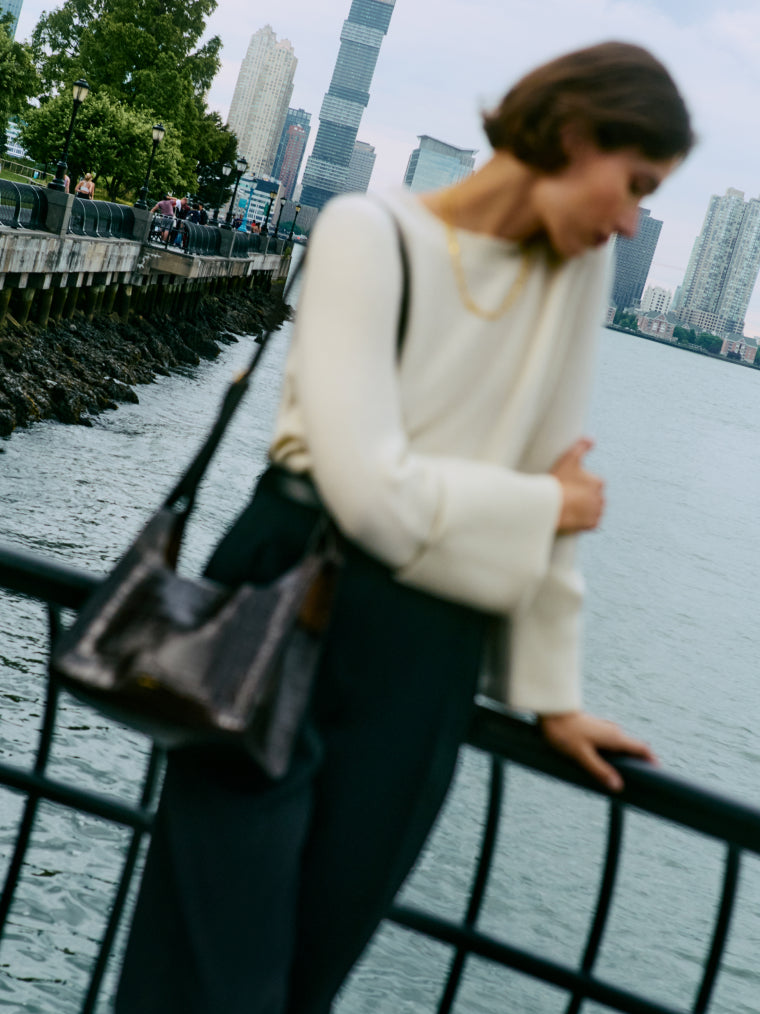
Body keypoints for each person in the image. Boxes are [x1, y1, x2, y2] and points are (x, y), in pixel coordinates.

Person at [114, 41, 693, 1014]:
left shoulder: (573, 276)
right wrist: (540, 507)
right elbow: (364, 495)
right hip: (283, 595)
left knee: (306, 980)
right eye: (632, 184)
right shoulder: (363, 234)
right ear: (570, 131)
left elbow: (546, 469)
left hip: (431, 658)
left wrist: (549, 696)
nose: (631, 223)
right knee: (214, 978)